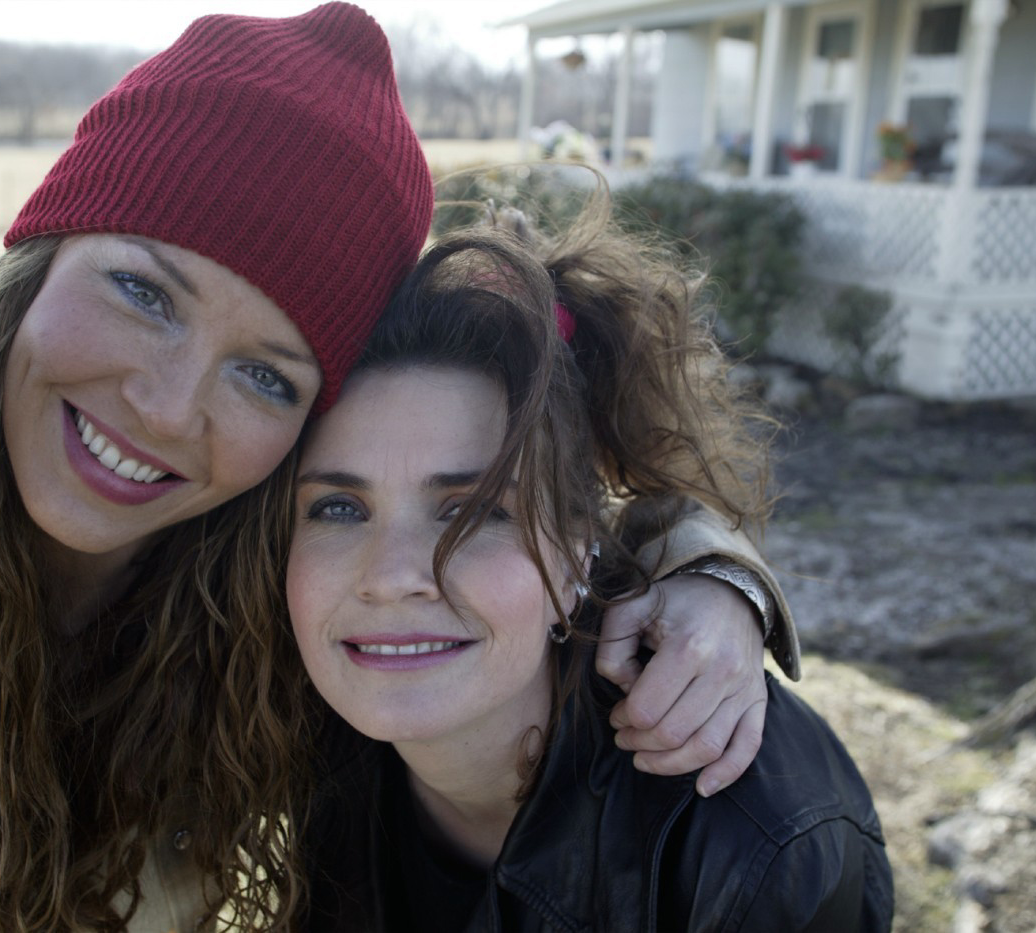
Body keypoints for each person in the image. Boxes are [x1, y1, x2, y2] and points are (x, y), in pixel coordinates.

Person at [0, 5, 794, 930]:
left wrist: (707, 573)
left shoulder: (279, 604)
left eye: (265, 376)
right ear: (41, 254)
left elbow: (527, 518)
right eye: (143, 292)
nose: (165, 408)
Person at [288, 196, 894, 930]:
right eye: (339, 508)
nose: (389, 577)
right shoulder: (278, 723)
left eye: (472, 512)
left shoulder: (752, 846)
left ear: (581, 544)